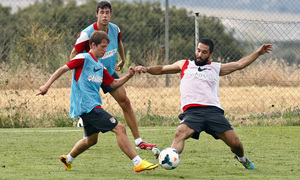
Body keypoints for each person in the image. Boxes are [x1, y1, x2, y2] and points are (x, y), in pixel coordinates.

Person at [135, 38, 273, 169]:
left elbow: (239, 64)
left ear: (210, 55)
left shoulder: (215, 67)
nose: (200, 54)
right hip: (192, 112)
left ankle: (242, 159)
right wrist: (146, 69)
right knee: (180, 133)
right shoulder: (185, 64)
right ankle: (167, 157)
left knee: (236, 144)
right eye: (198, 50)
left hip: (213, 111)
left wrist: (258, 53)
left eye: (204, 52)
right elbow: (162, 69)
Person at [37, 31, 158, 172]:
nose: (105, 50)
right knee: (120, 128)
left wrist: (129, 75)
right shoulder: (83, 58)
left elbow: (113, 84)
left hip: (92, 106)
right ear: (93, 45)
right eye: (103, 47)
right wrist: (47, 85)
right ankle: (138, 162)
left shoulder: (100, 65)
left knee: (91, 140)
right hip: (88, 107)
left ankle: (68, 159)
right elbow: (63, 68)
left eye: (107, 47)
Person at [70, 0, 156, 149]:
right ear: (96, 14)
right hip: (90, 77)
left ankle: (138, 141)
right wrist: (83, 71)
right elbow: (73, 55)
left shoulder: (115, 29)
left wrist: (122, 60)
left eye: (107, 12)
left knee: (125, 102)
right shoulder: (86, 34)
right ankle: (85, 125)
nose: (104, 15)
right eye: (101, 12)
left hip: (108, 73)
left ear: (110, 14)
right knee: (90, 108)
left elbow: (119, 43)